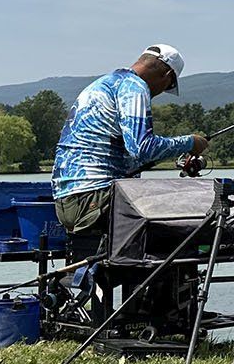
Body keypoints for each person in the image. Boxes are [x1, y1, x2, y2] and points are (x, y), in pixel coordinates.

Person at [52, 44, 209, 235]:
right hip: (97, 196)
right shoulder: (134, 87)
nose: (159, 93)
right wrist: (190, 142)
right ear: (167, 76)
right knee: (183, 219)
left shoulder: (104, 84)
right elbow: (142, 148)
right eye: (167, 87)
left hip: (67, 201)